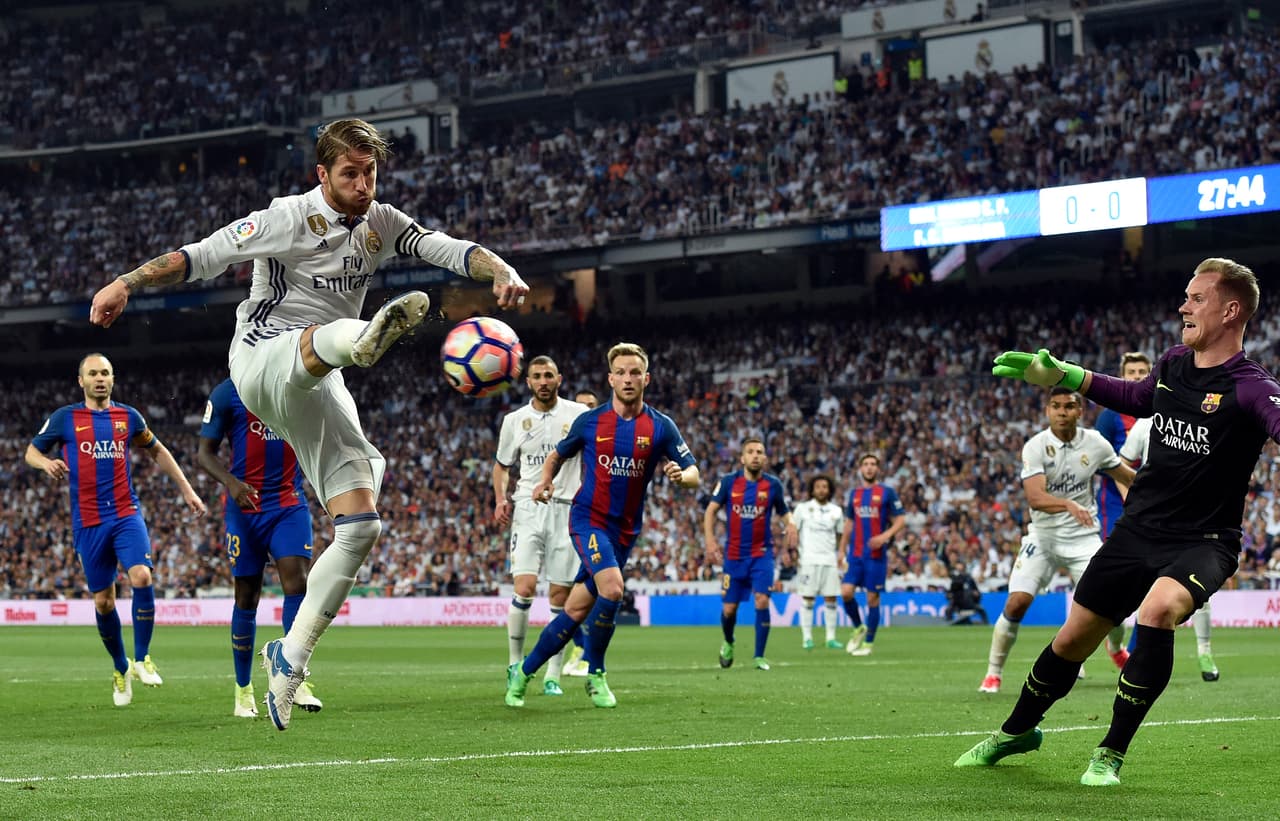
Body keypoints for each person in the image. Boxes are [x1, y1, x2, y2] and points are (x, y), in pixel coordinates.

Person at [89, 118, 528, 730]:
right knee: (330, 341)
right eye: (350, 173)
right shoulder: (285, 217)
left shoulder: (382, 223)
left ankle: (290, 658)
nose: (363, 184)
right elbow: (203, 255)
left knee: (361, 525)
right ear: (322, 174)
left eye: (370, 172)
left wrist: (500, 269)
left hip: (319, 379)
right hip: (261, 359)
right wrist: (125, 282)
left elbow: (447, 248)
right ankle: (364, 339)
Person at [958, 258, 1279, 786]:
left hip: (1203, 541)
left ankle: (1110, 752)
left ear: (1230, 311)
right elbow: (1134, 396)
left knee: (1158, 610)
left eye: (1196, 298)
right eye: (1186, 296)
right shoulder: (1174, 362)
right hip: (1137, 532)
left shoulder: (1251, 387)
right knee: (1071, 641)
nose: (1183, 306)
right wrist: (1065, 374)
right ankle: (1015, 732)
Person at [504, 342, 699, 709]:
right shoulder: (591, 421)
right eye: (621, 372)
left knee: (576, 610)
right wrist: (544, 482)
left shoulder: (660, 426)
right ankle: (596, 674)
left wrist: (681, 476)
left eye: (635, 372)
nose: (628, 379)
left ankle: (524, 672)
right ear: (611, 379)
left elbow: (694, 472)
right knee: (612, 589)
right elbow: (556, 455)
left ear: (646, 379)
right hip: (588, 519)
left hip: (625, 531)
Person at [25, 353, 207, 706]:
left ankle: (142, 658)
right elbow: (31, 451)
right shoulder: (65, 418)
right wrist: (45, 463)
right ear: (81, 381)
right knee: (104, 601)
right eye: (93, 373)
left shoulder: (128, 417)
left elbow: (158, 451)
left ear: (113, 379)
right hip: (89, 522)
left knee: (142, 575)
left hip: (125, 513)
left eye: (105, 373)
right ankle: (121, 666)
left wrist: (187, 489)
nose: (100, 378)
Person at [977, 387, 1135, 694]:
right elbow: (1035, 498)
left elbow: (1126, 476)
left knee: (1112, 602)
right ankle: (993, 673)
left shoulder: (1095, 443)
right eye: (1056, 406)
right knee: (1017, 602)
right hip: (1044, 537)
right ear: (1048, 410)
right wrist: (1068, 505)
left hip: (1083, 539)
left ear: (1080, 411)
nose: (1062, 412)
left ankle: (1116, 649)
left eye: (1069, 406)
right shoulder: (1036, 446)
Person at [198, 377, 323, 718]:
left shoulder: (295, 381)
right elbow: (204, 453)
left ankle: (293, 676)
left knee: (298, 584)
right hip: (245, 508)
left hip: (288, 504)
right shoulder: (228, 392)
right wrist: (231, 483)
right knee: (247, 597)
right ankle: (243, 689)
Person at [492, 356, 590, 697]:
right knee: (525, 586)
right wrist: (500, 499)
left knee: (560, 597)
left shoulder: (578, 415)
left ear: (559, 378)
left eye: (549, 375)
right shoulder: (514, 420)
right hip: (527, 508)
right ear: (529, 382)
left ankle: (553, 674)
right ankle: (514, 664)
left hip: (566, 509)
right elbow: (502, 465)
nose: (543, 381)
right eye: (537, 376)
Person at [1120, 415, 1219, 681]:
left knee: (1199, 589)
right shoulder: (1145, 424)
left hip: (1194, 520)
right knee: (1142, 588)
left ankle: (1204, 652)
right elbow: (1122, 465)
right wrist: (1129, 497)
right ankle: (1130, 651)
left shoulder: (1202, 420)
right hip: (1150, 521)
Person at [704, 438, 795, 671]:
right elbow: (711, 510)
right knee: (729, 609)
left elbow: (784, 512)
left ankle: (759, 656)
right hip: (734, 556)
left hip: (762, 555)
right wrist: (710, 540)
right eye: (751, 452)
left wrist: (791, 524)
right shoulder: (728, 482)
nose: (756, 455)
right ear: (742, 458)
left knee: (762, 599)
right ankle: (728, 641)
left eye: (760, 452)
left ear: (765, 458)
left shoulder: (773, 485)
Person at [838, 453, 906, 656]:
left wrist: (884, 536)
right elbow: (849, 523)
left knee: (872, 598)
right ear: (860, 469)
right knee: (846, 592)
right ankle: (859, 627)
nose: (869, 467)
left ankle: (868, 644)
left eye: (873, 464)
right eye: (866, 464)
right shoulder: (855, 494)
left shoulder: (887, 492)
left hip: (876, 555)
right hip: (855, 554)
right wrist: (841, 549)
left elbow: (900, 519)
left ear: (878, 468)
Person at [561, 388, 600, 678]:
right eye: (579, 407)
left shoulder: (608, 440)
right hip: (566, 515)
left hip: (596, 521)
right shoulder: (568, 441)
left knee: (592, 587)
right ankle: (581, 648)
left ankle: (588, 655)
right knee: (565, 590)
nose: (584, 411)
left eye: (590, 406)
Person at [1094, 352, 1152, 540]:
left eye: (1142, 372)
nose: (1136, 376)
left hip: (1151, 494)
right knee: (1113, 546)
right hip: (1114, 496)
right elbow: (1097, 461)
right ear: (1122, 377)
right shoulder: (1109, 416)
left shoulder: (1161, 413)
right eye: (1131, 372)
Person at [792, 474, 845, 649]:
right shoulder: (802, 509)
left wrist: (840, 555)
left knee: (831, 598)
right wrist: (794, 553)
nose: (821, 490)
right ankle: (807, 638)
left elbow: (840, 535)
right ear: (812, 490)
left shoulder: (836, 511)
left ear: (829, 490)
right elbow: (794, 531)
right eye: (818, 487)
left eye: (825, 487)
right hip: (808, 560)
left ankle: (831, 638)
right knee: (808, 598)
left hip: (829, 560)